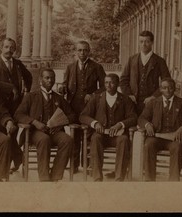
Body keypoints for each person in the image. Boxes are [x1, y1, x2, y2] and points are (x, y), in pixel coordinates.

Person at [14, 68, 75, 182]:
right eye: (47, 78)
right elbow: (18, 114)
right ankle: (44, 177)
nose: (50, 80)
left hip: (55, 132)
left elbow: (72, 115)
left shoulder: (59, 98)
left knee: (68, 140)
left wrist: (60, 123)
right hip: (35, 132)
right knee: (44, 139)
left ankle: (56, 174)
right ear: (40, 80)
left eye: (52, 78)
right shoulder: (31, 96)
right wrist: (34, 122)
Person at [138, 78, 182, 181]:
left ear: (174, 89)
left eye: (170, 88)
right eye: (164, 88)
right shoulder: (153, 103)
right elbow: (141, 118)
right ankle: (149, 180)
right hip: (157, 137)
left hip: (175, 138)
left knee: (177, 147)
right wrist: (147, 124)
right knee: (148, 144)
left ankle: (173, 181)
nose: (167, 90)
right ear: (160, 89)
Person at [58, 40, 106, 173]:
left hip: (90, 108)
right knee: (74, 135)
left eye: (85, 50)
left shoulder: (97, 67)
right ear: (76, 52)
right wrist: (62, 87)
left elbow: (104, 87)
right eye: (79, 50)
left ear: (89, 52)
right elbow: (64, 84)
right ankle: (73, 166)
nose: (82, 53)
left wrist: (93, 94)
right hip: (73, 107)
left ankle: (88, 165)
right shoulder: (70, 67)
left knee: (89, 136)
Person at [79, 74, 137, 182]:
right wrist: (95, 123)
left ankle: (119, 177)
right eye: (106, 82)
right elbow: (83, 116)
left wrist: (120, 124)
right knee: (95, 138)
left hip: (117, 136)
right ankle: (97, 177)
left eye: (111, 82)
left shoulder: (125, 99)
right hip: (101, 134)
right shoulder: (96, 98)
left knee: (124, 140)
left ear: (118, 84)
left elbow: (133, 118)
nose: (108, 85)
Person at [0, 38, 33, 173]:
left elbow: (28, 77)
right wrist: (10, 87)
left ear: (15, 49)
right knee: (3, 134)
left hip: (15, 105)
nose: (9, 50)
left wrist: (26, 92)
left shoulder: (18, 63)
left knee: (11, 133)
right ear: (1, 48)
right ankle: (13, 161)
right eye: (6, 47)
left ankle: (11, 162)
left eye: (11, 48)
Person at [120, 30, 171, 116]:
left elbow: (167, 82)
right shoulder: (132, 59)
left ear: (152, 43)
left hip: (152, 102)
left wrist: (154, 96)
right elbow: (123, 80)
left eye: (147, 41)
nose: (143, 44)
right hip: (133, 102)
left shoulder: (159, 61)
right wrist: (129, 94)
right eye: (141, 41)